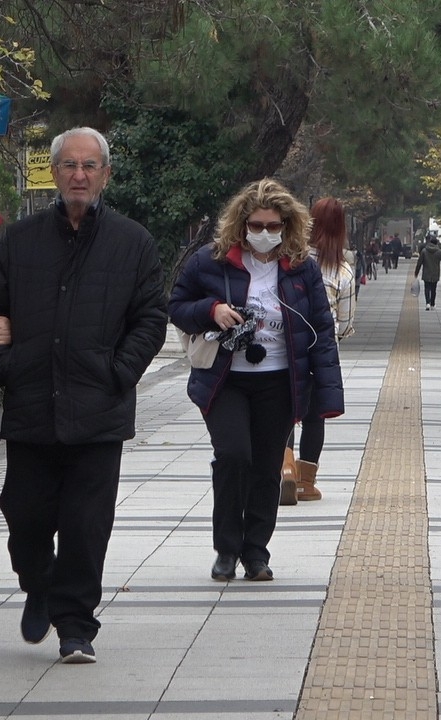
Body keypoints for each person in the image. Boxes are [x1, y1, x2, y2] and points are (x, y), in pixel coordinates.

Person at [0, 127, 168, 664]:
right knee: (24, 515)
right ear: (55, 174)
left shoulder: (133, 242)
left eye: (89, 166)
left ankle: (76, 626)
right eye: (69, 166)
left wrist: (120, 371)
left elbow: (150, 318)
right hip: (32, 404)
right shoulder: (20, 241)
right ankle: (38, 583)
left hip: (98, 410)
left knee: (86, 528)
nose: (79, 175)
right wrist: (6, 364)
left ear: (105, 175)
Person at [169, 179, 344, 583]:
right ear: (241, 223)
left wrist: (327, 394)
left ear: (288, 226)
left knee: (267, 467)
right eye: (257, 225)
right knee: (233, 456)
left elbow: (321, 328)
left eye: (273, 226)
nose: (264, 233)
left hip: (279, 381)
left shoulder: (303, 268)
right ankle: (226, 549)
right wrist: (211, 309)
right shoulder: (209, 262)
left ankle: (256, 553)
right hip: (224, 379)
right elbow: (176, 306)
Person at [287, 197, 355, 502]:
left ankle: (283, 469)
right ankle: (305, 482)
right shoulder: (343, 272)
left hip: (288, 345)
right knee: (315, 416)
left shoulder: (289, 259)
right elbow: (345, 325)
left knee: (284, 410)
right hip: (322, 350)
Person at [414, 234, 441, 310]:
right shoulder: (439, 251)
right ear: (436, 243)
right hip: (435, 272)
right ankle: (432, 304)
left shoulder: (424, 251)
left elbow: (419, 262)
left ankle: (427, 302)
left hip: (426, 272)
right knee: (434, 289)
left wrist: (416, 272)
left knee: (427, 288)